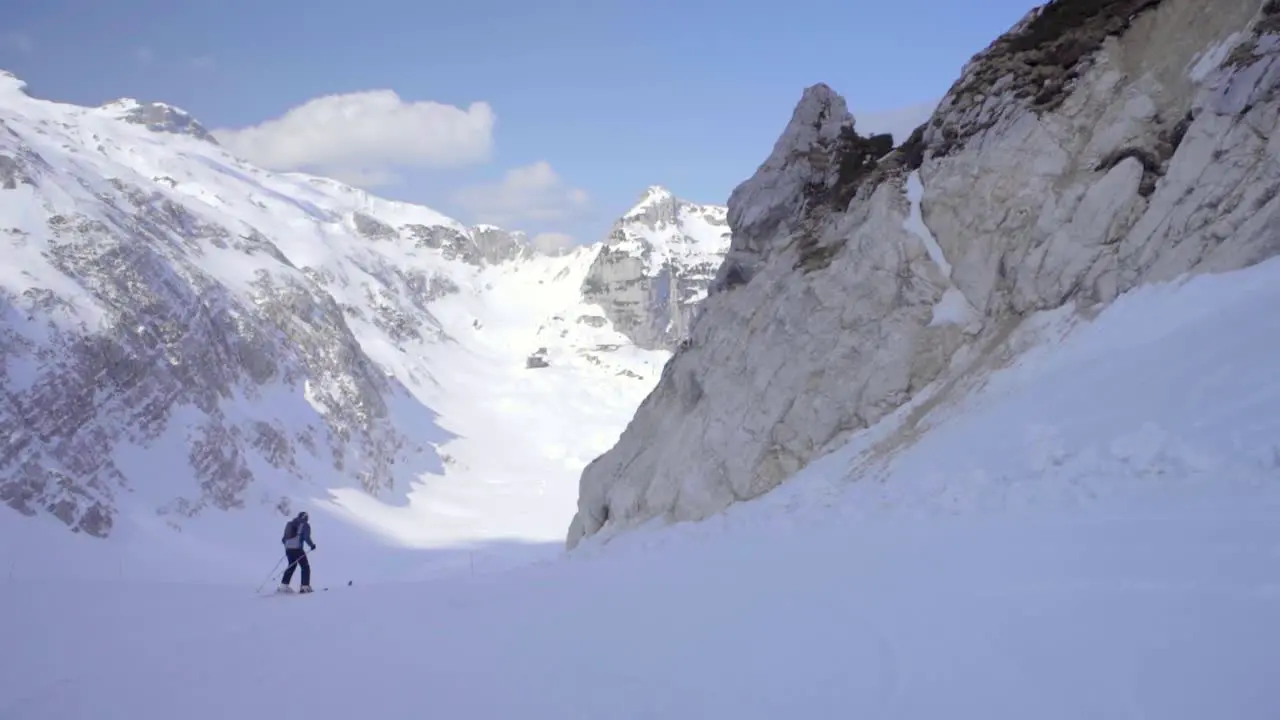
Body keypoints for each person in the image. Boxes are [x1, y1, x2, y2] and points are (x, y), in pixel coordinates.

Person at [278, 511, 317, 593]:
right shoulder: (305, 525)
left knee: (291, 566)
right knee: (305, 567)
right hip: (297, 549)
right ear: (306, 517)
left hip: (288, 549)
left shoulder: (290, 524)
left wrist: (289, 546)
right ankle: (305, 587)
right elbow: (306, 537)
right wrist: (312, 545)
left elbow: (284, 539)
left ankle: (283, 586)